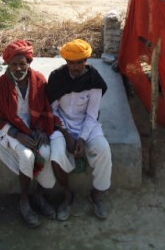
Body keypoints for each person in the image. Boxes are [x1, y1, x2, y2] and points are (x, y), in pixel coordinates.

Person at [0, 40, 58, 228]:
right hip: (13, 130)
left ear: (29, 62)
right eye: (14, 64)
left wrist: (42, 130)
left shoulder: (39, 80)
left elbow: (46, 108)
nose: (18, 68)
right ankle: (24, 201)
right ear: (8, 65)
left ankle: (39, 195)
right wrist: (17, 135)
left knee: (45, 153)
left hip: (36, 129)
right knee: (26, 155)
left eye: (22, 64)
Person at [47, 39, 112, 220]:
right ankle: (68, 195)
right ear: (66, 62)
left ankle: (97, 194)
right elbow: (52, 111)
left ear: (86, 60)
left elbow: (92, 115)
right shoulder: (57, 78)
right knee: (56, 153)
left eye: (80, 62)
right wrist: (66, 133)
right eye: (71, 63)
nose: (75, 67)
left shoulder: (94, 80)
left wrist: (82, 138)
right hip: (61, 126)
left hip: (87, 126)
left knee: (103, 149)